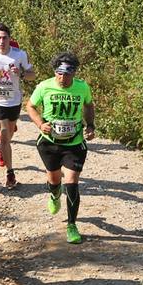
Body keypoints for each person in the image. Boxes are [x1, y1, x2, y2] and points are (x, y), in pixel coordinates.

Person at [26, 52, 96, 245]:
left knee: (71, 181)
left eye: (67, 73)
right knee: (54, 179)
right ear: (54, 71)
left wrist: (90, 125)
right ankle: (54, 194)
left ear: (74, 73)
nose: (63, 77)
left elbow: (89, 105)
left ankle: (72, 225)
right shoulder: (44, 86)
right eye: (59, 73)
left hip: (74, 144)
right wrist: (40, 124)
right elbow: (30, 106)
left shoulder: (82, 87)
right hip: (49, 143)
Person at [0, 23, 34, 189]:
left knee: (8, 135)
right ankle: (10, 174)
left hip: (14, 101)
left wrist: (21, 73)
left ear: (10, 39)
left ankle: (2, 147)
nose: (2, 41)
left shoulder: (19, 54)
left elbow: (32, 75)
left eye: (5, 38)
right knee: (4, 135)